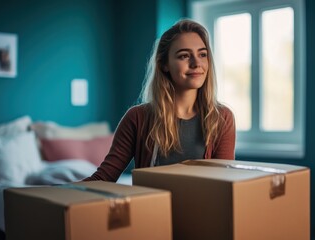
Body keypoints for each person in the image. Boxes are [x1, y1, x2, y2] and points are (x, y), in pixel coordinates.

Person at [84, 19, 236, 182]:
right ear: (164, 64)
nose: (196, 63)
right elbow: (104, 178)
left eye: (202, 54)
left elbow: (224, 185)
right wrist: (56, 193)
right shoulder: (137, 117)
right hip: (151, 207)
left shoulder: (222, 118)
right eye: (184, 56)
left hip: (204, 208)